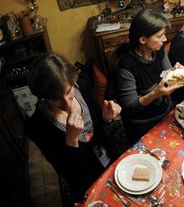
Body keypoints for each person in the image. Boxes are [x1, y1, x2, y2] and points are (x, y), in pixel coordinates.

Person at [25, 53, 122, 201]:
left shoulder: (82, 86)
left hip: (110, 157)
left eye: (69, 91)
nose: (67, 103)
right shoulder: (37, 126)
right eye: (57, 98)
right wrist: (71, 141)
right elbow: (67, 172)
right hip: (86, 180)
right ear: (42, 96)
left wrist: (106, 118)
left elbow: (98, 126)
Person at [116, 9, 181, 144]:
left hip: (165, 111)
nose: (165, 39)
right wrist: (155, 93)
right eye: (160, 36)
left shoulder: (159, 50)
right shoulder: (126, 65)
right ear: (143, 39)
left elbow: (167, 73)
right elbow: (130, 106)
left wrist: (175, 72)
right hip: (142, 123)